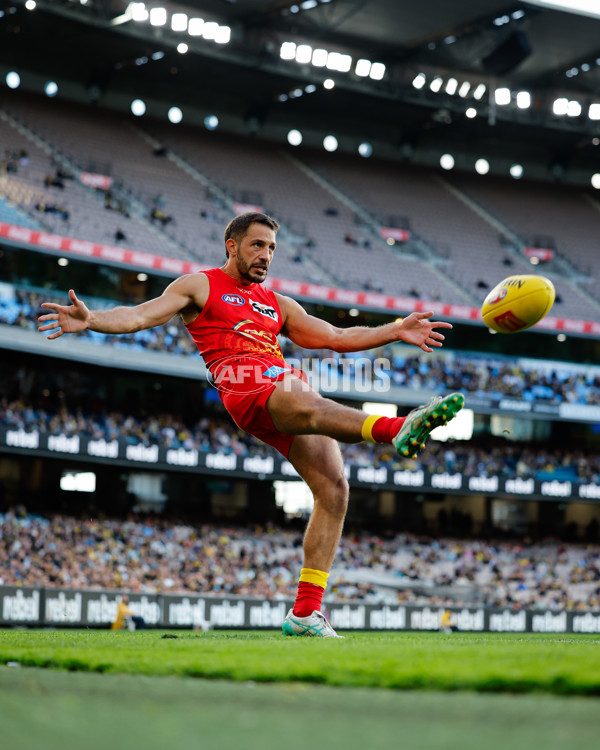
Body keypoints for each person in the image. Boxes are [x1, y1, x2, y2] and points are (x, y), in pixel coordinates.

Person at [38, 211, 464, 638]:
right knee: (302, 390)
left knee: (334, 488)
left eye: (272, 248)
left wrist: (394, 330)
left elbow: (335, 337)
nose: (266, 255)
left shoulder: (278, 304)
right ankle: (397, 428)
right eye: (258, 245)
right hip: (246, 387)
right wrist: (91, 319)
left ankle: (304, 614)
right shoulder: (199, 285)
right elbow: (139, 316)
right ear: (233, 246)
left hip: (278, 392)